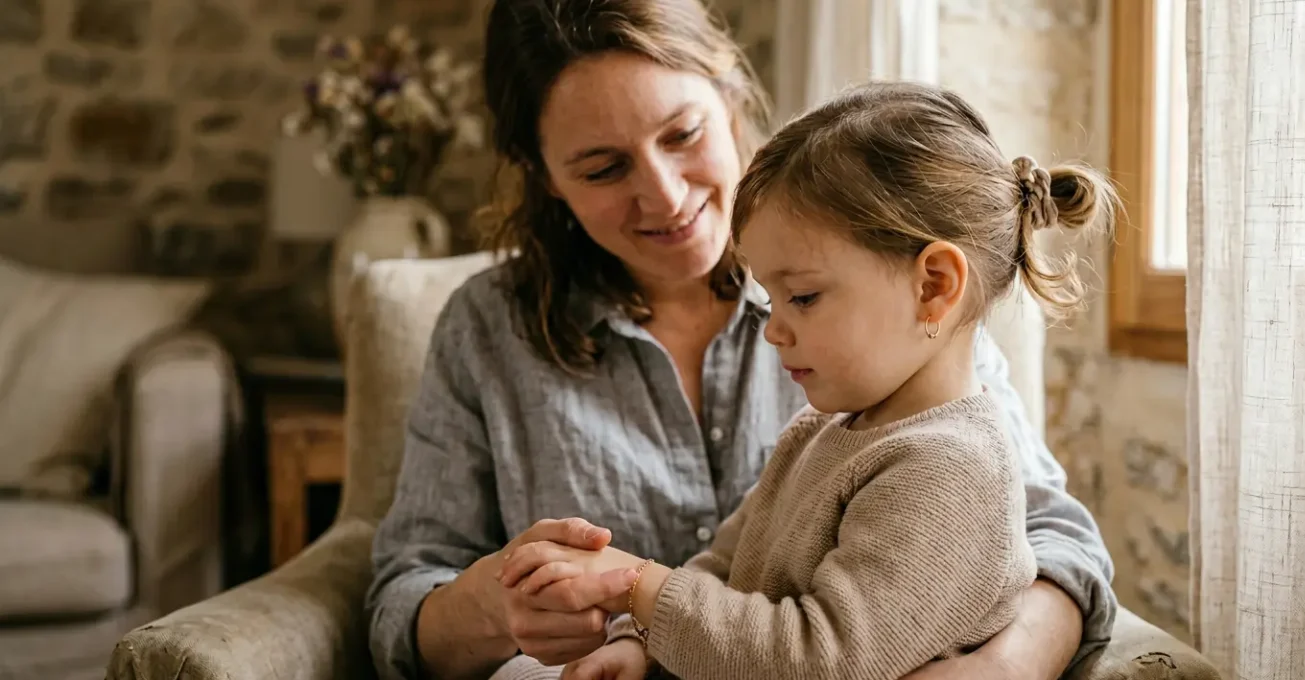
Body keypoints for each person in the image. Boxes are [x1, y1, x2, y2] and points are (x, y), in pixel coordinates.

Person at [365, 0, 1117, 678]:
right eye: (602, 167)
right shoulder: (489, 330)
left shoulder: (904, 316)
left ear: (729, 99)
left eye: (682, 134)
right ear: (545, 177)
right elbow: (404, 592)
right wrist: (514, 610)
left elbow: (1046, 530)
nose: (663, 195)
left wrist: (1004, 669)